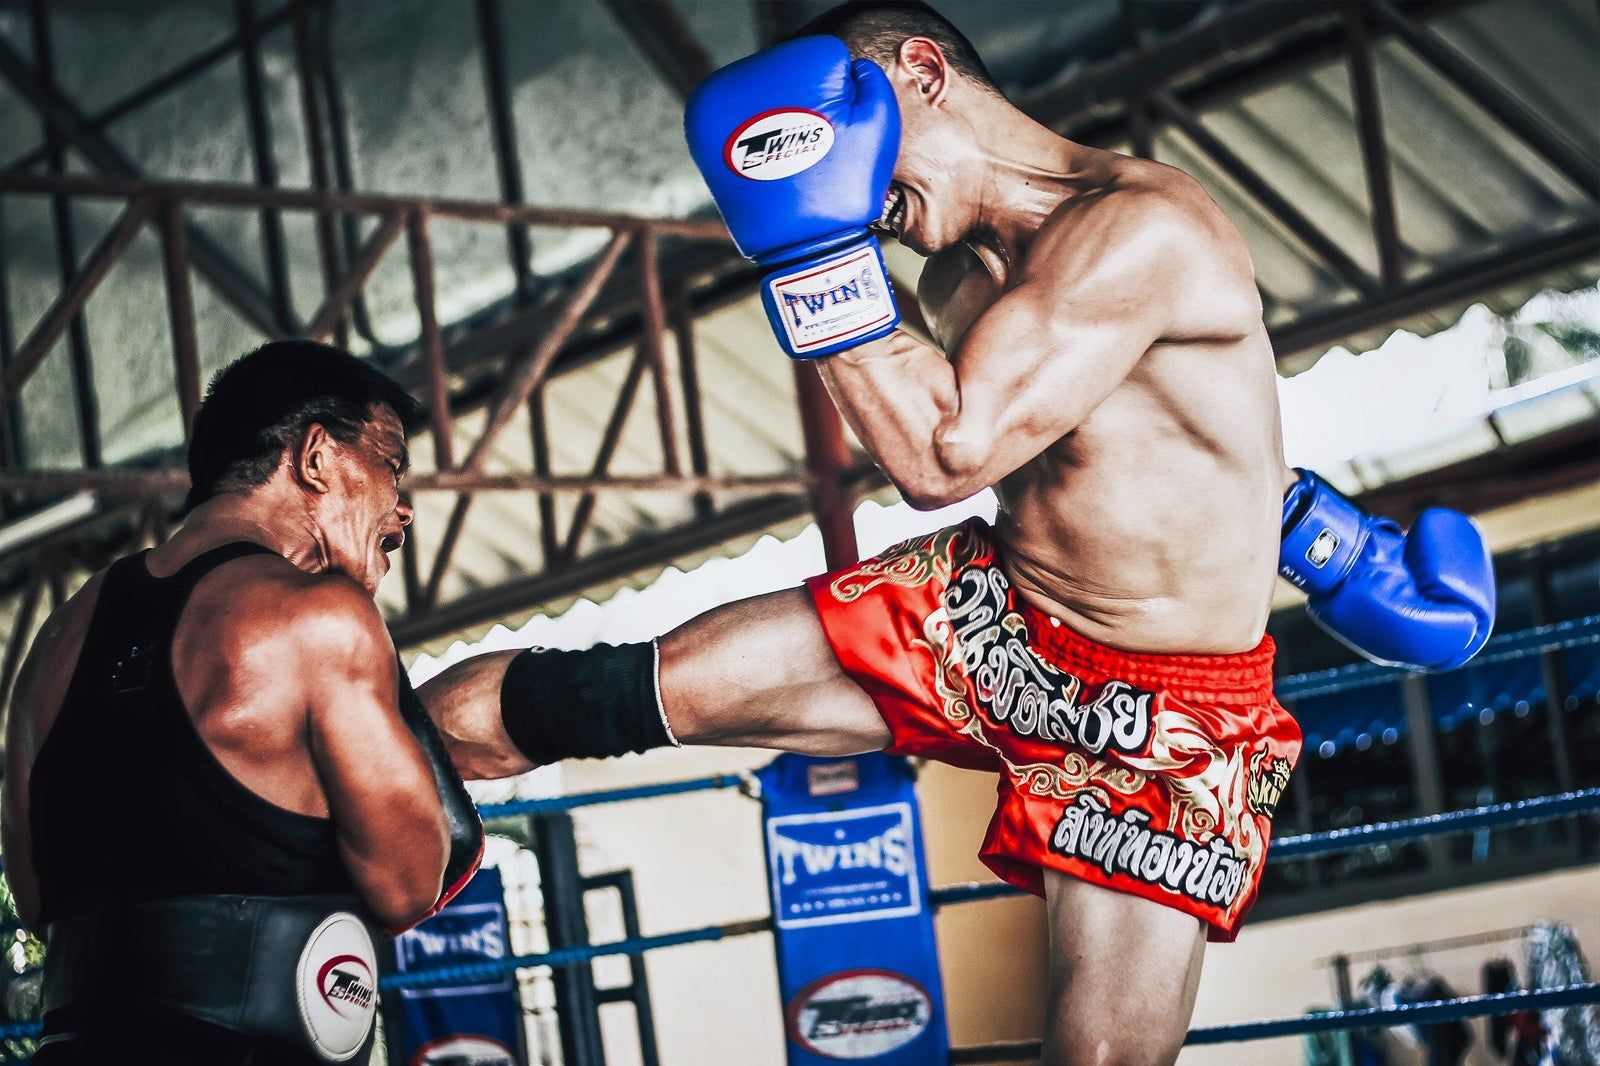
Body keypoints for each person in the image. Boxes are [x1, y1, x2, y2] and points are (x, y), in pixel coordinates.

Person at [419, 4, 1495, 1063]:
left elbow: (944, 452)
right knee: (617, 692)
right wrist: (1309, 528)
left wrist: (806, 245)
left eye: (839, 147)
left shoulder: (1141, 226)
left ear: (922, 73)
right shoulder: (951, 275)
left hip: (1164, 706)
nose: (855, 192)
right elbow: (1131, 435)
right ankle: (306, 797)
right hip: (990, 614)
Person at [2, 341, 482, 1065]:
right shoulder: (321, 618)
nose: (402, 507)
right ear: (316, 457)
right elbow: (408, 884)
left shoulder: (54, 640)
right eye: (389, 465)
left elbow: (36, 899)